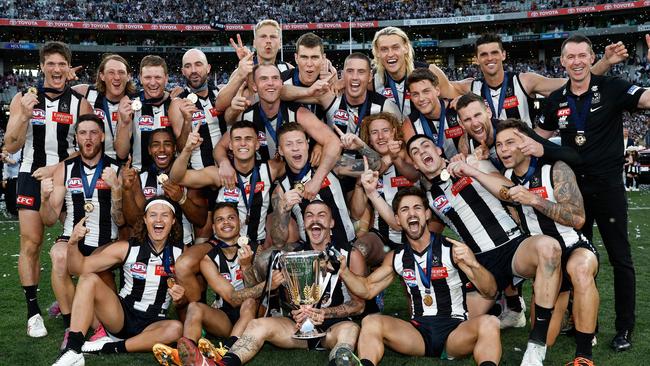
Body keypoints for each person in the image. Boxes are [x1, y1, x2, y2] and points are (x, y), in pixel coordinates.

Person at [399, 134, 563, 365]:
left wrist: (472, 170)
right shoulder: (429, 198)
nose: (421, 151)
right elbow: (412, 226)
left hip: (513, 247)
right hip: (482, 265)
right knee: (455, 334)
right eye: (415, 152)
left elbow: (510, 192)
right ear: (415, 164)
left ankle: (536, 346)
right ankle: (512, 310)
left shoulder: (472, 163)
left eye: (425, 145)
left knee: (549, 248)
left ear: (438, 149)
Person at [536, 34, 650, 352]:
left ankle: (624, 328)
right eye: (570, 57)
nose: (576, 62)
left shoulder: (612, 87)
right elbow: (535, 142)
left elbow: (647, 99)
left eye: (582, 56)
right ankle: (585, 322)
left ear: (591, 58)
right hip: (574, 192)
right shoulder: (555, 99)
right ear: (562, 62)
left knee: (620, 259)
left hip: (609, 187)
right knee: (577, 257)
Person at [337, 187, 501, 366]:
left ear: (427, 214)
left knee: (490, 322)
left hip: (455, 332)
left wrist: (474, 264)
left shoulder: (451, 249)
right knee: (370, 322)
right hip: (418, 333)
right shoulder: (397, 256)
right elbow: (368, 289)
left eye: (417, 208)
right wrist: (344, 271)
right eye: (404, 210)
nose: (411, 213)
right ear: (398, 220)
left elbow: (491, 291)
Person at [199, 200, 366, 366]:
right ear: (304, 223)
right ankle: (225, 363)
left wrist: (324, 313)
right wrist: (296, 311)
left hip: (333, 329)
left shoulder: (349, 254)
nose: (315, 220)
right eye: (309, 215)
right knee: (258, 324)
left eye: (321, 215)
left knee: (350, 330)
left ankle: (340, 363)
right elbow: (287, 299)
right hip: (298, 328)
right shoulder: (293, 255)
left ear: (331, 222)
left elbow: (359, 305)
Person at [4, 41, 93, 337]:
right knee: (31, 244)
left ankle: (72, 300)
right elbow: (11, 144)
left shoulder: (80, 102)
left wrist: (57, 169)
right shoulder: (23, 98)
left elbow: (89, 147)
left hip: (68, 177)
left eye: (61, 64)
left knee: (78, 245)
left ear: (68, 68)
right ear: (42, 66)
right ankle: (33, 313)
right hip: (30, 175)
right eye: (50, 63)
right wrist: (22, 116)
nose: (56, 69)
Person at [496, 119, 600, 366]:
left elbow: (578, 218)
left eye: (510, 142)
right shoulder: (504, 176)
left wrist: (535, 200)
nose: (503, 149)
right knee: (547, 337)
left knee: (581, 269)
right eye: (499, 145)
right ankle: (570, 312)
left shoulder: (556, 168)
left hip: (573, 246)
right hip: (545, 259)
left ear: (526, 142)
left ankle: (584, 355)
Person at [52, 197, 185, 365]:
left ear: (173, 220)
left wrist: (181, 298)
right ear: (145, 219)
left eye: (165, 215)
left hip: (154, 322)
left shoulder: (182, 254)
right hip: (121, 317)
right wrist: (72, 243)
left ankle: (109, 347)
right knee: (88, 279)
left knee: (176, 329)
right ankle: (73, 349)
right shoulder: (127, 248)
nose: (158, 220)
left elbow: (191, 297)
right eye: (153, 215)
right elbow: (79, 268)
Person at [153, 202, 283, 366]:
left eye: (231, 218)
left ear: (240, 221)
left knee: (249, 302)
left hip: (256, 314)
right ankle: (187, 354)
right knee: (194, 307)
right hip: (227, 316)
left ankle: (224, 351)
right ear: (214, 227)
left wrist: (246, 266)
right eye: (220, 220)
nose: (226, 223)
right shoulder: (208, 259)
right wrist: (266, 285)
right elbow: (232, 298)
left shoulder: (256, 249)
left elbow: (256, 293)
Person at [170, 121, 282, 305]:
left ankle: (273, 306)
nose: (243, 144)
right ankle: (198, 311)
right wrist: (188, 148)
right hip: (221, 242)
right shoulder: (219, 173)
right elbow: (176, 178)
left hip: (256, 243)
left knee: (273, 261)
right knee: (183, 265)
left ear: (257, 144)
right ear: (230, 145)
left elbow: (297, 165)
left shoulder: (270, 169)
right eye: (237, 139)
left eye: (248, 139)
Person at [39, 114, 123, 345]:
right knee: (58, 256)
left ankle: (78, 306)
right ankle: (70, 323)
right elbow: (48, 219)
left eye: (93, 133)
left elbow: (122, 218)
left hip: (107, 242)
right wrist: (45, 199)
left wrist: (116, 189)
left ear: (102, 136)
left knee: (111, 310)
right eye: (83, 133)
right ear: (76, 137)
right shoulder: (64, 169)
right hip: (71, 239)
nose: (88, 138)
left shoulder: (116, 168)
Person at [436, 33, 627, 127]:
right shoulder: (470, 87)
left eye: (494, 52)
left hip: (525, 157)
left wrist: (605, 62)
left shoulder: (525, 81)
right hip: (489, 158)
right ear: (477, 59)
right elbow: (440, 85)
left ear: (503, 55)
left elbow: (573, 82)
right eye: (484, 54)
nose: (490, 58)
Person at [219, 63, 342, 200]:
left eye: (275, 78)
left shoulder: (297, 113)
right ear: (254, 86)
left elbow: (334, 142)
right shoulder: (246, 116)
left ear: (281, 83)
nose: (270, 83)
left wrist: (317, 180)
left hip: (296, 184)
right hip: (260, 185)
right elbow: (220, 147)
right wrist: (223, 162)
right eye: (264, 79)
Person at [121, 128, 208, 247]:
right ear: (149, 150)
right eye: (156, 145)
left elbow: (201, 220)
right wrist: (126, 190)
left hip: (183, 247)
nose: (161, 149)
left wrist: (181, 198)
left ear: (174, 149)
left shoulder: (188, 177)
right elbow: (134, 222)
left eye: (167, 144)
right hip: (148, 248)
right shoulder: (139, 178)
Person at [114, 55, 174, 170]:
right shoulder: (128, 103)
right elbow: (121, 153)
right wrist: (124, 124)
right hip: (138, 175)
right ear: (140, 78)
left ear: (166, 78)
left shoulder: (175, 103)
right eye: (147, 77)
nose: (152, 83)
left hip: (172, 176)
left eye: (158, 77)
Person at [72, 53, 137, 160]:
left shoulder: (135, 102)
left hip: (120, 165)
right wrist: (64, 77)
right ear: (102, 76)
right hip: (88, 163)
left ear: (129, 76)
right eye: (111, 72)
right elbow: (57, 93)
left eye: (121, 72)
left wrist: (172, 94)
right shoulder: (86, 92)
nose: (117, 77)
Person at [402, 68, 463, 159]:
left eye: (426, 91)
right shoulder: (409, 125)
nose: (421, 98)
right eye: (415, 94)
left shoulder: (458, 108)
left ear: (437, 91)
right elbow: (416, 162)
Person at [1, 147, 20, 216]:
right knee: (8, 196)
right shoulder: (6, 157)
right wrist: (4, 179)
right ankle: (10, 212)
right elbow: (5, 168)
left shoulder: (17, 152)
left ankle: (16, 213)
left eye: (5, 150)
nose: (4, 152)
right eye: (3, 150)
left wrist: (5, 158)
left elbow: (14, 162)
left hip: (16, 177)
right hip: (9, 178)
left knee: (14, 196)